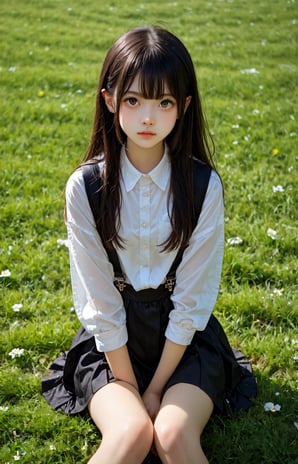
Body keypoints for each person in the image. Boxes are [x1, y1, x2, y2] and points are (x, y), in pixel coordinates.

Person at [42, 26, 256, 464]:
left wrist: (156, 389)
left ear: (184, 107)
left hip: (185, 344)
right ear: (109, 100)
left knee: (172, 435)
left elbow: (193, 299)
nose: (147, 118)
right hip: (111, 346)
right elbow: (100, 301)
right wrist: (132, 390)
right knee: (131, 433)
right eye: (134, 100)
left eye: (164, 103)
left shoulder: (202, 186)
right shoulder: (86, 187)